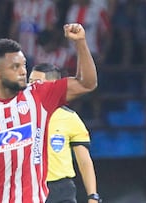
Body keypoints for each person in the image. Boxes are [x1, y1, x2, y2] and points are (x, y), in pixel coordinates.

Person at [0, 23, 97, 202]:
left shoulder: (39, 95)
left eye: (23, 65)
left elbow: (87, 83)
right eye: (15, 67)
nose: (23, 71)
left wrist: (81, 43)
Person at [29, 63, 101, 203]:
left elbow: (84, 161)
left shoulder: (70, 118)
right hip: (28, 188)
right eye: (30, 83)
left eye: (38, 83)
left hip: (60, 190)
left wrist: (93, 195)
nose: (32, 88)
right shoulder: (18, 116)